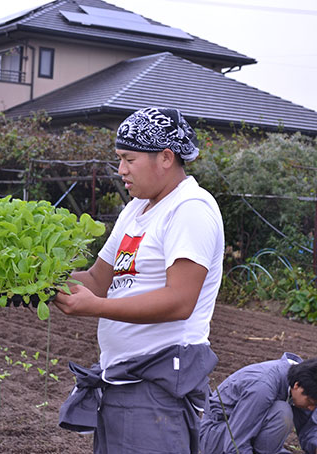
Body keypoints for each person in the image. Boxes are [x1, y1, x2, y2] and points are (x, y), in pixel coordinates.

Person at [53, 106, 225, 454]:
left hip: (157, 387)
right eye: (119, 158)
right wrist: (31, 283)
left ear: (165, 157)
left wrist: (96, 308)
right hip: (121, 381)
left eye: (129, 158)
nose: (121, 170)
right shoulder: (136, 209)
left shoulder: (189, 209)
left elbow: (180, 300)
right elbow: (97, 280)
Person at [200, 353, 317, 454]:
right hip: (217, 435)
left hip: (240, 433)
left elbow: (311, 427)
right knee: (282, 412)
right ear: (297, 386)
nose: (311, 408)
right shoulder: (263, 387)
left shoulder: (306, 382)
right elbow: (235, 443)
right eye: (311, 402)